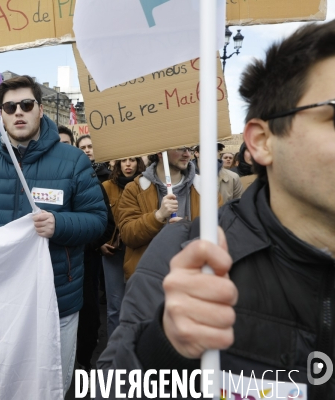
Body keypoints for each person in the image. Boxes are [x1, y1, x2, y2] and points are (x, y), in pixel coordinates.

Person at [97, 20, 335, 398]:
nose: (186, 150)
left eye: (189, 145)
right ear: (262, 141)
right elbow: (126, 234)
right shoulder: (183, 242)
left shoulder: (212, 186)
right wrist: (166, 345)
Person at [0, 75, 107, 394]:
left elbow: (97, 222)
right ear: (1, 114)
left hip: (56, 299)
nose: (18, 112)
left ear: (40, 110)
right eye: (10, 107)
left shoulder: (73, 161)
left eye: (26, 105)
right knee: (1, 383)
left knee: (52, 384)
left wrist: (59, 225)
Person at [117, 148, 215, 280]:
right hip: (149, 280)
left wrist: (188, 230)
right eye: (181, 149)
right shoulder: (135, 189)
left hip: (193, 278)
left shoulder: (205, 188)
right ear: (160, 153)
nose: (187, 154)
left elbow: (219, 234)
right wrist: (158, 216)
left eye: (190, 149)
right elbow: (127, 235)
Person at [100, 157, 145, 338]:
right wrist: (100, 243)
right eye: (124, 161)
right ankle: (114, 356)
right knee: (115, 307)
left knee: (138, 305)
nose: (128, 164)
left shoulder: (145, 187)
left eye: (132, 160)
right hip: (113, 252)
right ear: (117, 164)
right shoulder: (106, 187)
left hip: (138, 250)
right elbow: (100, 218)